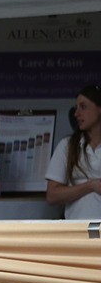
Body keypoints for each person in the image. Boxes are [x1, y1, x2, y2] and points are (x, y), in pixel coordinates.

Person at [45, 84, 101, 220]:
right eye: (76, 108)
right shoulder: (67, 146)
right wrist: (90, 186)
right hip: (78, 231)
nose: (76, 114)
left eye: (83, 107)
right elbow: (52, 195)